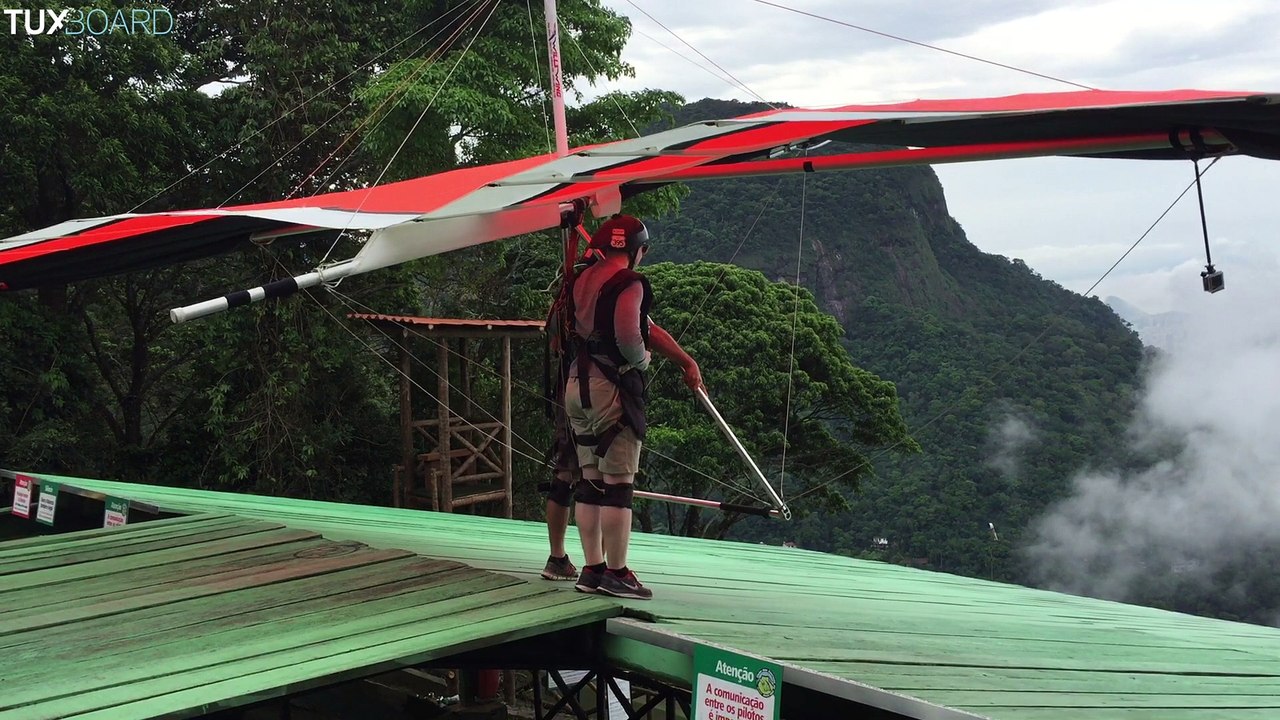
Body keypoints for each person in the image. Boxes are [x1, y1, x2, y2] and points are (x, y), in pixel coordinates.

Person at [559, 214, 702, 600]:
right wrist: (641, 362)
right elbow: (629, 333)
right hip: (610, 386)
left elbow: (645, 327)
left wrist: (684, 359)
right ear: (639, 251)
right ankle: (618, 573)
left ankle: (592, 569)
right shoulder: (630, 282)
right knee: (619, 485)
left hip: (577, 383)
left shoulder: (583, 277)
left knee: (589, 480)